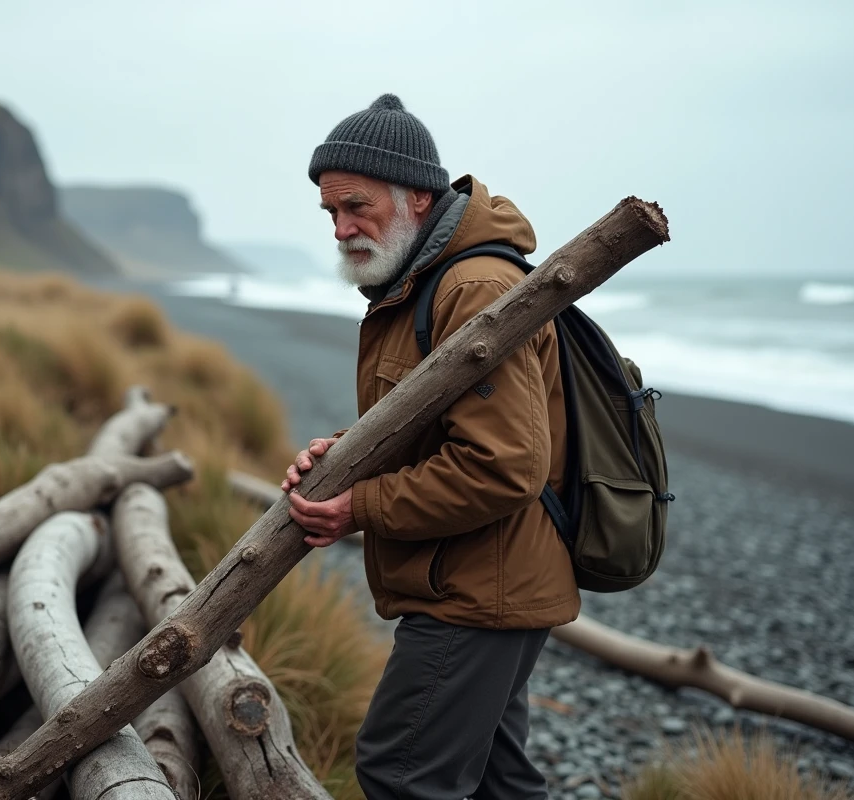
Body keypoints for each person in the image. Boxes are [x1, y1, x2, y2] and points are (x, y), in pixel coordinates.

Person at [280, 93, 579, 800]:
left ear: (418, 194)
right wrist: (346, 453)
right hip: (484, 579)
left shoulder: (473, 289)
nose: (341, 228)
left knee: (402, 774)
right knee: (500, 785)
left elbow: (502, 465)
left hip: (477, 588)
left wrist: (360, 505)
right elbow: (431, 419)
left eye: (357, 207)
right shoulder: (416, 281)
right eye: (331, 213)